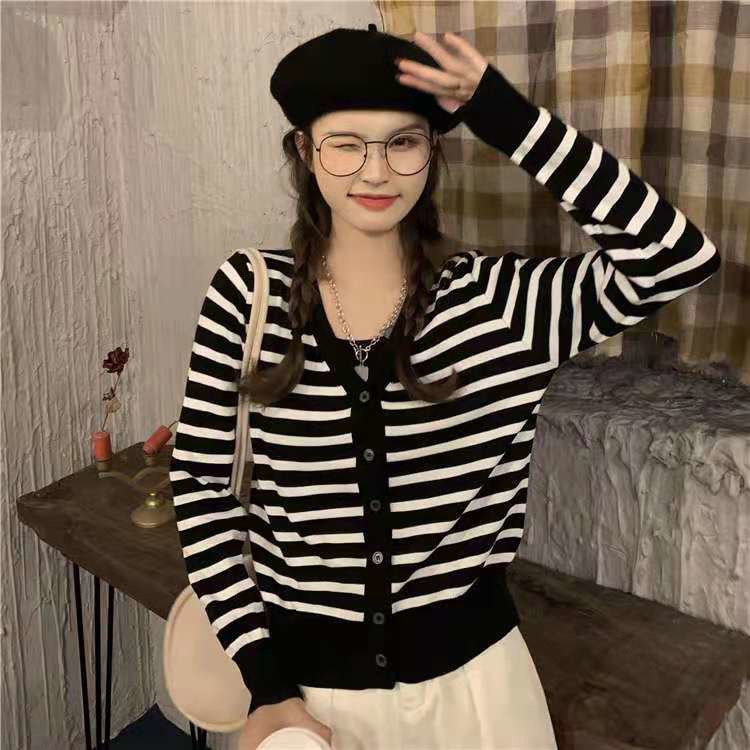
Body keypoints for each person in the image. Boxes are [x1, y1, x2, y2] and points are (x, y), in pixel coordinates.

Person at [169, 24, 721, 750]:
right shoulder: (249, 295)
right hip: (308, 702)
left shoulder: (501, 303)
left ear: (433, 150)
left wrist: (504, 116)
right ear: (305, 151)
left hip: (479, 697)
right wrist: (266, 683)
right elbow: (202, 489)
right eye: (345, 144)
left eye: (403, 142)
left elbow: (676, 257)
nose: (376, 172)